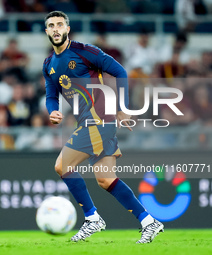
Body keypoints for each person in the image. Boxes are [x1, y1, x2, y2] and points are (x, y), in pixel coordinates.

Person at [42, 11, 164, 243]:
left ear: (67, 29)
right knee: (106, 180)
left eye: (60, 24)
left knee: (62, 165)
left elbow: (120, 71)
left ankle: (92, 218)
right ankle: (150, 222)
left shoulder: (85, 51)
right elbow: (51, 95)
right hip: (90, 121)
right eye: (51, 25)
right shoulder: (49, 64)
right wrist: (53, 111)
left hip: (98, 118)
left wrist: (123, 107)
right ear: (46, 31)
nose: (56, 28)